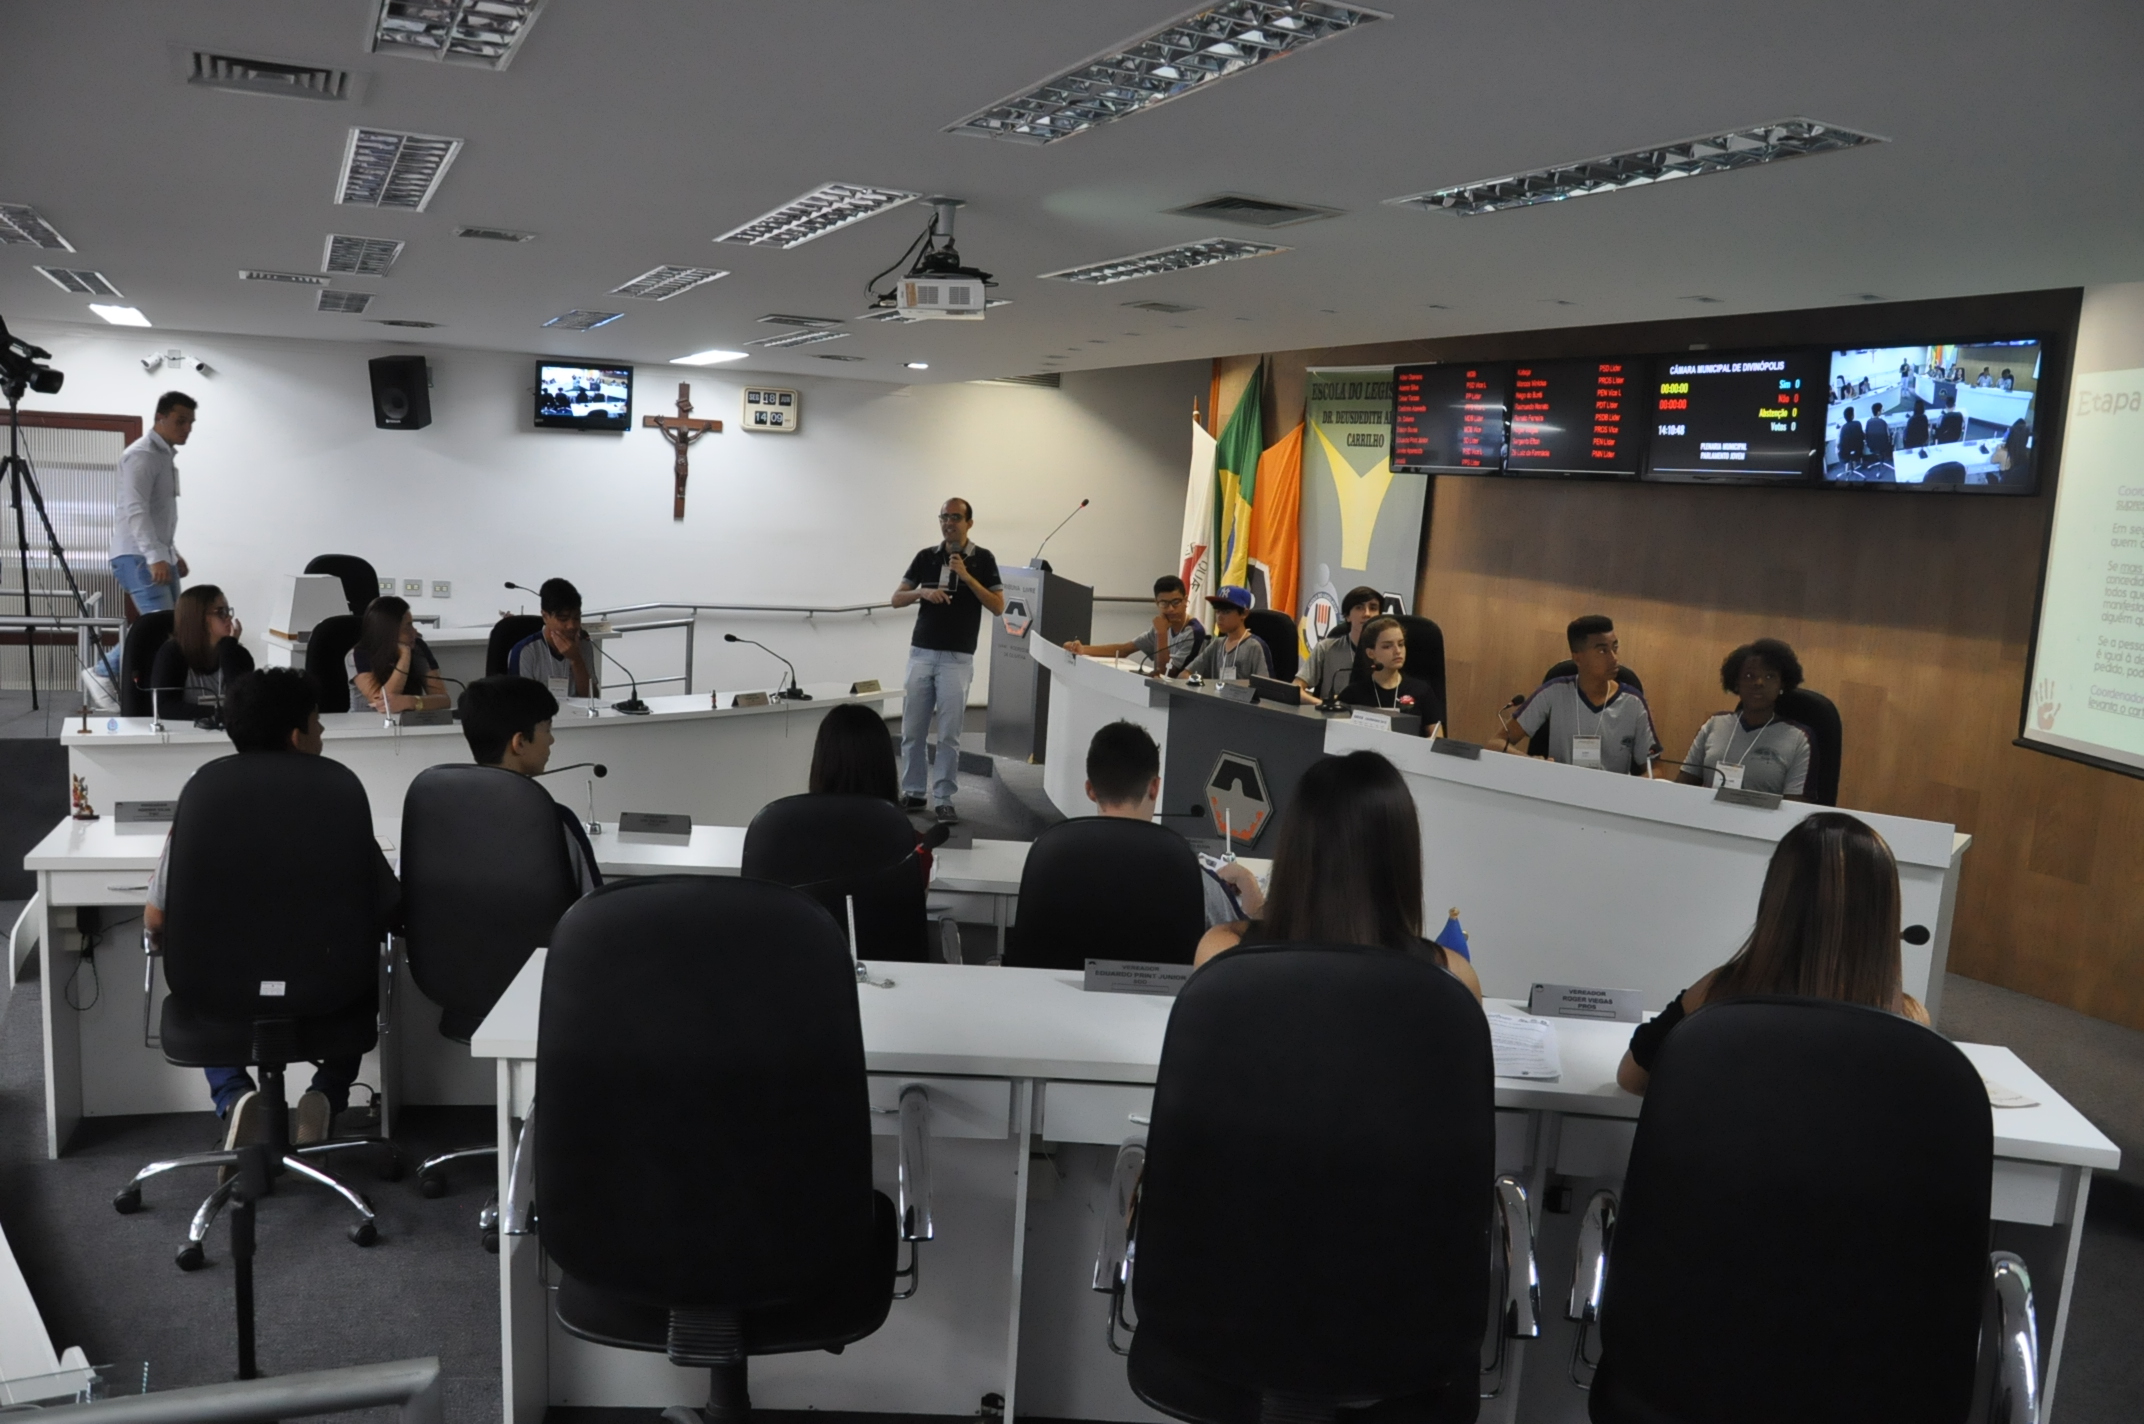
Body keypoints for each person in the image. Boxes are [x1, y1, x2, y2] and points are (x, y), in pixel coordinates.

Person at [143, 668, 398, 1149]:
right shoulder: (337, 796)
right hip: (327, 994)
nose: (323, 734)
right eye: (318, 725)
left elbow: (155, 919)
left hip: (223, 995)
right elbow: (387, 904)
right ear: (297, 736)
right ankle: (325, 1095)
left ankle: (236, 1096)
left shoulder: (204, 797)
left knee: (205, 991)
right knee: (360, 984)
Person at [1615, 812, 1929, 1096]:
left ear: (1777, 900)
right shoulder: (1908, 1023)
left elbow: (1631, 1077)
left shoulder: (1716, 997)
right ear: (1886, 914)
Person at [1192, 751, 1482, 1001]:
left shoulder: (1222, 957)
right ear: (1404, 859)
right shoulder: (1453, 980)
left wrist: (1258, 916)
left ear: (1293, 849)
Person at [1084, 720, 1263, 928]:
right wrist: (1250, 887)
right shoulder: (1195, 882)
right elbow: (1245, 950)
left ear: (1090, 790)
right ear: (1154, 787)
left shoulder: (1054, 864)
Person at [891, 497, 1004, 824]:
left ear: (969, 522)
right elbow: (896, 598)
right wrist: (921, 593)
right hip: (922, 653)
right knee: (912, 731)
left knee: (949, 734)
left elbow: (998, 606)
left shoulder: (983, 559)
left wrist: (967, 577)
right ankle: (913, 792)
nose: (948, 523)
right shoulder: (926, 557)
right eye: (944, 517)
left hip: (957, 658)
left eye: (955, 517)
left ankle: (943, 797)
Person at [457, 675, 600, 894]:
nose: (551, 740)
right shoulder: (554, 821)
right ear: (520, 742)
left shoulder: (437, 815)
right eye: (547, 730)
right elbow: (593, 908)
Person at [102, 392, 196, 675]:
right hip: (137, 555)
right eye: (180, 421)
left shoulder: (163, 457)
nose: (187, 428)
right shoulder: (141, 455)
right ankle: (104, 673)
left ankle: (115, 675)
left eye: (191, 423)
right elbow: (135, 510)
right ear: (160, 418)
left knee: (173, 626)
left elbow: (158, 515)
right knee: (163, 626)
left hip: (154, 553)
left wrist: (171, 553)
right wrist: (155, 556)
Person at [1498, 615, 1658, 774]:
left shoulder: (1634, 703)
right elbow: (1496, 743)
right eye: (1603, 651)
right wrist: (1531, 762)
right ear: (1578, 658)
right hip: (1559, 789)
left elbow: (1656, 770)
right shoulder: (1553, 692)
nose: (1614, 658)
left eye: (1615, 648)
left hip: (1610, 795)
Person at [1676, 639, 1814, 798]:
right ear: (1736, 683)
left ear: (1781, 684)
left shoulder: (1799, 739)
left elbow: (1795, 809)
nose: (1759, 683)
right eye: (1749, 676)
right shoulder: (1714, 725)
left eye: (1769, 676)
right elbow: (1682, 787)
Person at [148, 584, 254, 720]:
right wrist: (223, 714)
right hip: (183, 736)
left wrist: (229, 650)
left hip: (227, 736)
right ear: (200, 618)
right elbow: (165, 707)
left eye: (228, 611)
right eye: (221, 612)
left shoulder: (237, 654)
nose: (228, 617)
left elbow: (245, 706)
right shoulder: (173, 653)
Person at [1064, 575, 1204, 675]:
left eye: (1176, 602)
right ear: (1157, 603)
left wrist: (1161, 634)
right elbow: (1124, 650)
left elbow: (1166, 672)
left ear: (1185, 601)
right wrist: (1082, 649)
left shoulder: (1193, 631)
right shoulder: (1162, 626)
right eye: (1164, 603)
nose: (1170, 609)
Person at [1337, 615, 1442, 734]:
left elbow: (1437, 740)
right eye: (1387, 646)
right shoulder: (1352, 695)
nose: (1397, 651)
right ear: (1371, 653)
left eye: (1401, 644)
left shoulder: (1421, 691)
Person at [350, 595, 449, 714]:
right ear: (388, 632)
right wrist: (405, 656)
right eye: (407, 627)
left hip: (410, 724)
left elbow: (444, 700)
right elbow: (384, 703)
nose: (415, 632)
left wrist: (411, 702)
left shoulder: (418, 649)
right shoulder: (358, 656)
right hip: (366, 727)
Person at [507, 577, 599, 697]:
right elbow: (521, 706)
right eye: (563, 619)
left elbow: (593, 699)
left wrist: (576, 660)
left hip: (577, 715)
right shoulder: (525, 651)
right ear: (545, 616)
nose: (571, 626)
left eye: (576, 618)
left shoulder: (583, 644)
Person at [1296, 584, 1382, 702]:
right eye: (1359, 607)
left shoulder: (1387, 652)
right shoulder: (1326, 648)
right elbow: (1296, 688)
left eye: (1373, 608)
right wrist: (1323, 705)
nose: (1367, 613)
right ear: (1347, 616)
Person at [1174, 585, 1271, 682]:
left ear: (1244, 614)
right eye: (1217, 611)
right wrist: (1205, 688)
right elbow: (1184, 674)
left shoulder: (1254, 647)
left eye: (1226, 612)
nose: (1219, 617)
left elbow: (1265, 689)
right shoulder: (1217, 644)